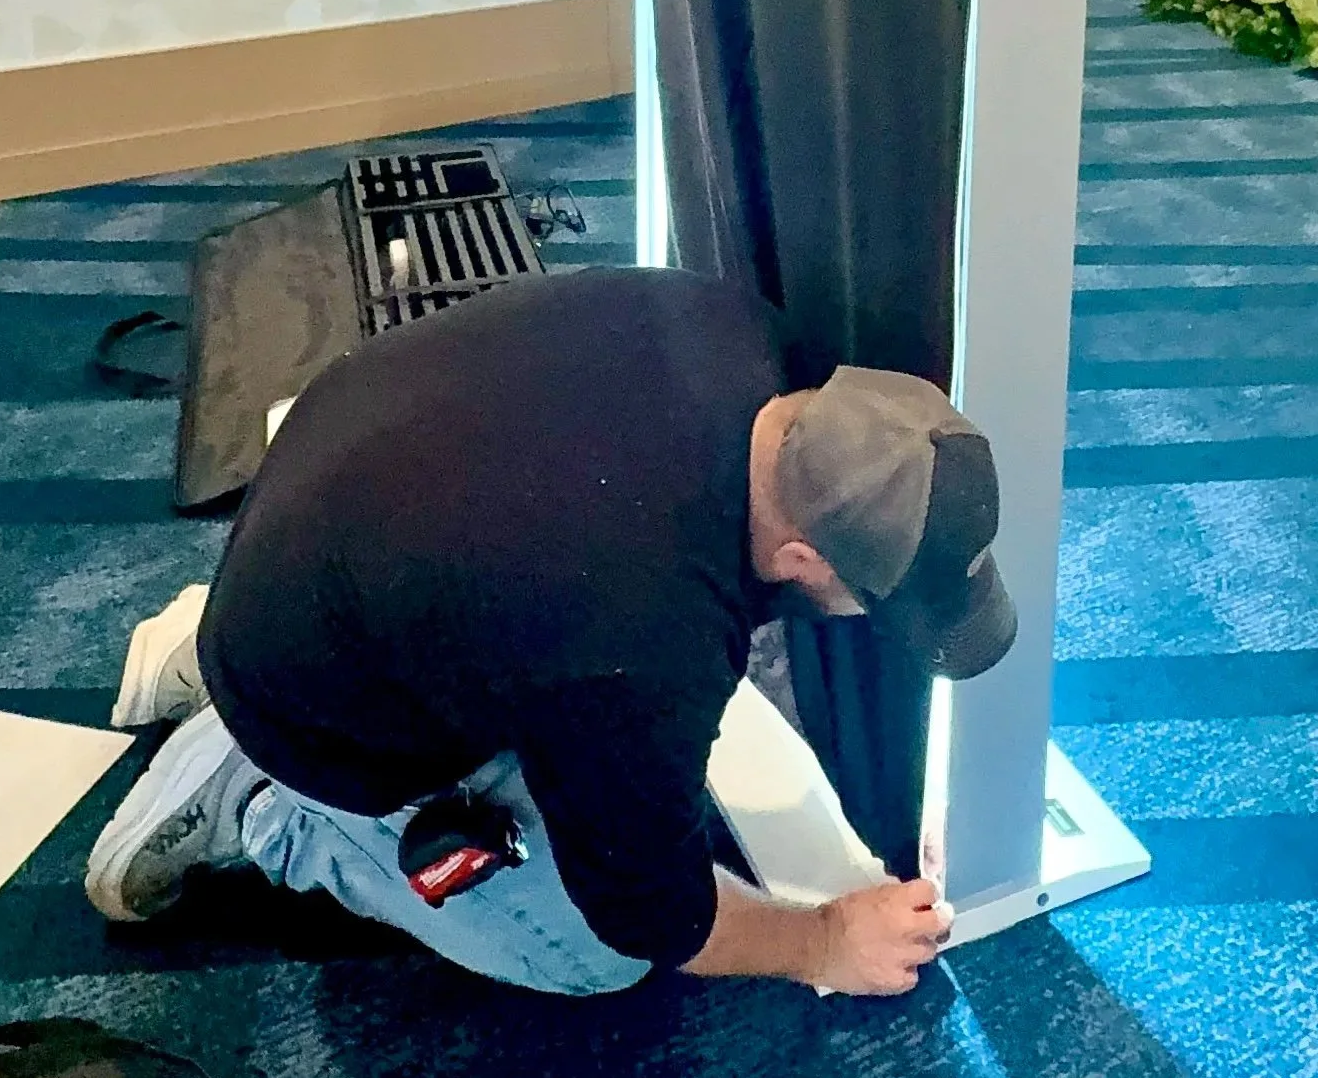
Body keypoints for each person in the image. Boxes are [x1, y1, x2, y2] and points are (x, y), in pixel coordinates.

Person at [84, 267, 1016, 999]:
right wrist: (822, 942)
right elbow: (656, 918)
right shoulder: (635, 636)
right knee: (591, 959)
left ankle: (233, 639)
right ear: (807, 560)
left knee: (521, 661)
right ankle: (270, 805)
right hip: (319, 699)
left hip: (320, 515)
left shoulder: (727, 324)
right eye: (875, 602)